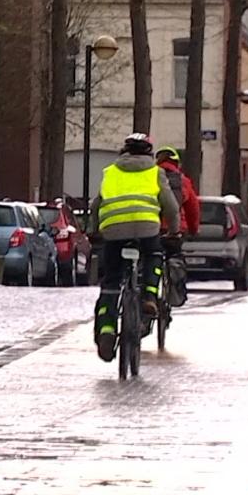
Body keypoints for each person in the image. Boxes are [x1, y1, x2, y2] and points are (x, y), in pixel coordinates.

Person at [91, 133, 180, 362]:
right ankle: (150, 295)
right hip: (146, 229)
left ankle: (107, 329)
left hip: (113, 230)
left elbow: (96, 205)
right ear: (150, 153)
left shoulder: (110, 172)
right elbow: (170, 207)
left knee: (111, 281)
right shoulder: (155, 172)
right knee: (154, 254)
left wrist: (93, 230)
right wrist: (174, 231)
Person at [155, 146, 200, 308]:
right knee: (174, 256)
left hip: (152, 228)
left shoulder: (149, 177)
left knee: (149, 258)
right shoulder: (183, 181)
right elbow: (193, 208)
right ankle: (174, 290)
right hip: (175, 231)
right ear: (177, 163)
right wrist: (193, 229)